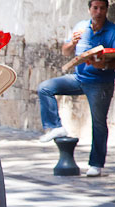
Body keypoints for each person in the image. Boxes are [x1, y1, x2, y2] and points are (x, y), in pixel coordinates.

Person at [37, 0, 115, 177]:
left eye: (102, 8)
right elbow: (65, 52)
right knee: (45, 88)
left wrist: (103, 65)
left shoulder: (112, 31)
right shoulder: (81, 27)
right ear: (89, 9)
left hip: (100, 83)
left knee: (99, 123)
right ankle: (55, 126)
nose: (99, 12)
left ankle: (96, 164)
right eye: (95, 8)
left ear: (106, 10)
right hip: (78, 78)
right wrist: (71, 43)